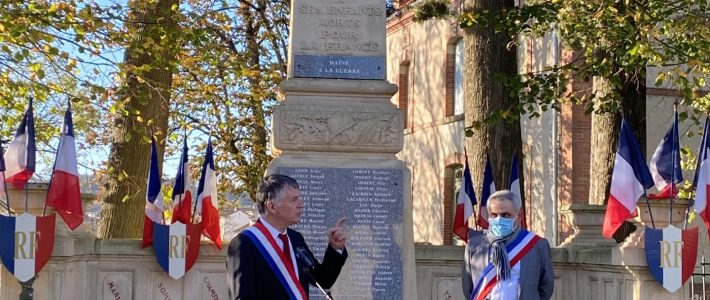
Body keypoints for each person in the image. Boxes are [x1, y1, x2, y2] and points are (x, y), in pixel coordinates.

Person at [227, 174, 348, 300]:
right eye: (294, 200)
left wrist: (335, 248)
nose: (301, 205)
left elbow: (323, 280)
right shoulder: (244, 244)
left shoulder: (295, 238)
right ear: (272, 207)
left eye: (300, 198)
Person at [462, 190, 554, 300]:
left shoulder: (537, 245)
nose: (499, 219)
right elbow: (468, 288)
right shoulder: (474, 245)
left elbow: (546, 287)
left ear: (519, 216)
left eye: (506, 215)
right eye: (494, 215)